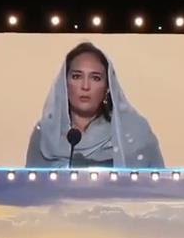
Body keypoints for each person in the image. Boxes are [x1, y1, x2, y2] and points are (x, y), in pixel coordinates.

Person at [26, 42, 164, 168]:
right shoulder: (45, 134)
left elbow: (156, 190)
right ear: (64, 84)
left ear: (108, 87)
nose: (85, 86)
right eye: (76, 76)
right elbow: (29, 191)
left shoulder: (134, 132)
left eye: (95, 78)